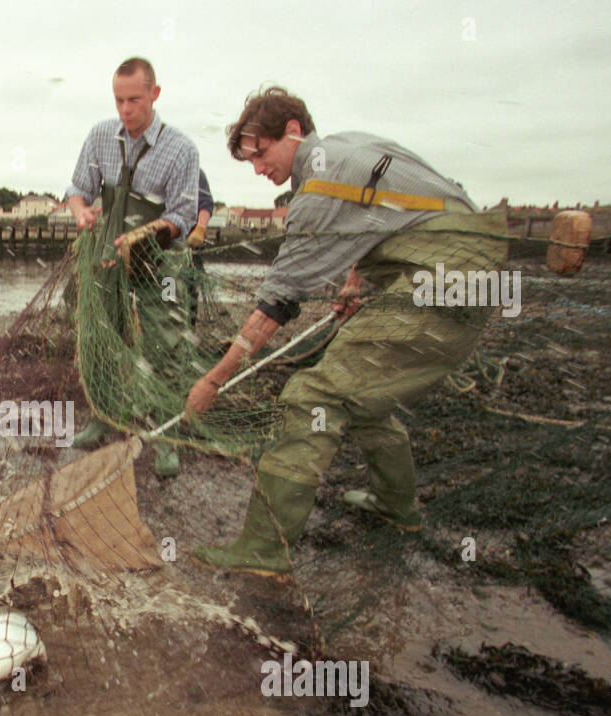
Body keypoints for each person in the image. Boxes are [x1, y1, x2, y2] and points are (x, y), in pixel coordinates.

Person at [185, 86, 509, 581]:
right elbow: (388, 218)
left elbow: (277, 301)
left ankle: (264, 548)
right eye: (249, 161)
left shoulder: (315, 186)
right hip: (470, 271)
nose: (257, 168)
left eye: (261, 153)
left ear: (292, 132)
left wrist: (215, 378)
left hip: (445, 282)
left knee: (313, 393)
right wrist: (357, 282)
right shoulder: (347, 147)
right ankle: (394, 505)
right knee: (364, 390)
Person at [65, 56, 200, 478]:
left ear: (154, 95)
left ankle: (166, 436)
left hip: (159, 260)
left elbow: (184, 215)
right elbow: (77, 190)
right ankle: (103, 416)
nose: (125, 110)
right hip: (106, 254)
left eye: (135, 100)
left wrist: (145, 236)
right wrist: (82, 213)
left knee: (165, 345)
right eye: (119, 100)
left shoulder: (181, 149)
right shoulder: (100, 135)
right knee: (100, 336)